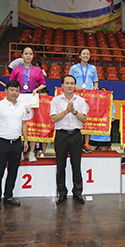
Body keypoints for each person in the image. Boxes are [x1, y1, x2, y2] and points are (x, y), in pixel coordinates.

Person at [0, 80, 28, 211]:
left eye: (17, 90)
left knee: (13, 172)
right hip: (2, 143)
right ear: (6, 91)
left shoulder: (21, 106)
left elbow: (24, 123)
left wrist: (25, 139)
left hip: (17, 143)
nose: (14, 93)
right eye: (12, 90)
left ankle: (8, 196)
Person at [50, 75, 89, 204]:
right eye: (67, 83)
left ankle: (78, 192)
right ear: (62, 85)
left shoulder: (81, 100)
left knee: (76, 165)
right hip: (61, 135)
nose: (70, 85)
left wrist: (74, 112)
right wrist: (66, 111)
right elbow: (53, 119)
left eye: (72, 83)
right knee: (60, 165)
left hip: (76, 136)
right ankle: (61, 193)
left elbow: (84, 119)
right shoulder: (56, 100)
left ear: (75, 86)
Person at [10, 46, 46, 162]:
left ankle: (31, 152)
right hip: (19, 99)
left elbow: (43, 84)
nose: (28, 56)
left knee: (32, 125)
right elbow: (11, 84)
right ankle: (20, 152)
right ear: (22, 55)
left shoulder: (37, 70)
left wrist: (36, 90)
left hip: (32, 99)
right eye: (26, 53)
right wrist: (16, 92)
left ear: (33, 56)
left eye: (30, 54)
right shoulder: (16, 70)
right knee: (19, 126)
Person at [69, 48, 99, 153]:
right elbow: (68, 80)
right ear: (80, 56)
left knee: (87, 118)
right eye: (83, 54)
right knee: (75, 116)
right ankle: (74, 143)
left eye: (88, 54)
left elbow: (95, 81)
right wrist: (75, 86)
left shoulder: (93, 68)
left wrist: (95, 86)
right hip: (76, 95)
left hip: (89, 97)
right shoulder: (74, 68)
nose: (86, 55)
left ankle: (86, 143)